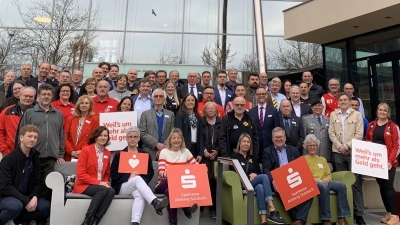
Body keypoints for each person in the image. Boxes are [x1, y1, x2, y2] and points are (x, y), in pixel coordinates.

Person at [110, 126, 169, 225]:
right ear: (126, 138)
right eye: (130, 137)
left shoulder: (145, 154)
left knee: (139, 194)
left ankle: (135, 222)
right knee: (137, 179)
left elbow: (150, 172)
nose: (132, 139)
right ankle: (155, 202)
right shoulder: (119, 154)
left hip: (137, 186)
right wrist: (130, 176)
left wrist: (140, 181)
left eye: (135, 137)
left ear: (138, 138)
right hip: (121, 187)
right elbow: (113, 174)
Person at [18, 84, 65, 201]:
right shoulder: (30, 113)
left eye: (49, 94)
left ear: (52, 96)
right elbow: (21, 133)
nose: (46, 96)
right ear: (38, 96)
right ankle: (28, 210)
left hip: (50, 157)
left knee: (47, 185)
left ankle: (42, 214)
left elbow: (61, 135)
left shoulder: (58, 114)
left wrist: (60, 154)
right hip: (33, 154)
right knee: (31, 182)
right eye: (43, 94)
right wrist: (22, 153)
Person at [230, 133, 286, 225]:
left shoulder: (253, 158)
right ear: (239, 143)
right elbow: (234, 173)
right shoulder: (234, 157)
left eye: (248, 142)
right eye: (244, 141)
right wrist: (248, 176)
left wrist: (254, 174)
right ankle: (272, 208)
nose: (246, 144)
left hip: (253, 183)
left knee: (260, 187)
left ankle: (263, 222)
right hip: (243, 184)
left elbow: (259, 173)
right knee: (265, 177)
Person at [0, 124, 50, 225]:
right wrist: (26, 201)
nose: (33, 139)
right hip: (6, 197)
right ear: (21, 138)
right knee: (15, 206)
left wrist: (35, 197)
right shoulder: (8, 160)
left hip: (27, 196)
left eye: (35, 137)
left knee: (45, 207)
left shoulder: (35, 157)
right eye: (29, 136)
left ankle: (14, 219)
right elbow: (5, 186)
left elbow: (37, 182)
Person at [262, 127, 313, 225]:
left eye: (280, 137)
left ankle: (299, 221)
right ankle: (301, 221)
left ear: (285, 137)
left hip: (295, 179)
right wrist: (273, 181)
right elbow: (266, 169)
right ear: (272, 138)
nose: (278, 139)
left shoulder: (293, 150)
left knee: (310, 188)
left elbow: (300, 167)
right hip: (279, 182)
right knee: (282, 188)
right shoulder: (267, 151)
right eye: (276, 137)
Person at [328, 93, 365, 225]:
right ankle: (345, 214)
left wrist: (347, 146)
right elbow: (331, 132)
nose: (343, 102)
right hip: (338, 153)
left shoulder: (357, 115)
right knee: (342, 184)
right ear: (338, 102)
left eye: (345, 100)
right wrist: (340, 147)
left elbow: (359, 134)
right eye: (341, 100)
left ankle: (359, 214)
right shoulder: (333, 115)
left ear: (349, 102)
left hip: (353, 152)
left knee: (356, 184)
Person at [155, 128, 199, 225]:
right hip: (162, 184)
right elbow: (161, 172)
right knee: (171, 182)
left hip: (176, 188)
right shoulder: (164, 152)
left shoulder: (186, 152)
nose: (176, 140)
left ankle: (173, 221)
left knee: (169, 191)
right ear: (170, 140)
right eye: (174, 138)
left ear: (182, 140)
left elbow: (196, 167)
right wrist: (171, 174)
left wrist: (202, 170)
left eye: (178, 138)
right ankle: (186, 208)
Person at [365, 103, 400, 225]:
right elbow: (368, 141)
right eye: (380, 110)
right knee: (382, 186)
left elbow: (396, 146)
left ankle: (395, 216)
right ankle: (389, 212)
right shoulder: (371, 125)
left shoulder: (394, 127)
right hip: (376, 162)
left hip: (389, 162)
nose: (382, 112)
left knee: (388, 186)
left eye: (385, 110)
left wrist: (390, 161)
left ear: (388, 112)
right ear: (377, 111)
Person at [303, 134, 350, 225]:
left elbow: (329, 174)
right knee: (324, 187)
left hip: (325, 182)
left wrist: (327, 179)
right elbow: (304, 176)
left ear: (317, 146)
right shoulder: (303, 159)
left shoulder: (322, 160)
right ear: (306, 147)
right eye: (310, 145)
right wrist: (318, 180)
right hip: (313, 182)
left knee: (341, 186)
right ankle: (326, 218)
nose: (312, 147)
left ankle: (342, 217)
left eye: (314, 145)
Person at [73, 126, 115, 225]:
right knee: (103, 189)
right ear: (95, 137)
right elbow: (80, 174)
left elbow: (106, 174)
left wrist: (105, 182)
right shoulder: (86, 150)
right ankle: (87, 221)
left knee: (111, 191)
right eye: (100, 135)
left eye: (105, 135)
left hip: (100, 186)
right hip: (84, 185)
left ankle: (96, 221)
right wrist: (99, 183)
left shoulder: (107, 153)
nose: (103, 138)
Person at [140, 89, 175, 160]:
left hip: (166, 150)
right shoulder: (145, 114)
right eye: (156, 96)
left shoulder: (171, 114)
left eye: (161, 96)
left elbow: (172, 132)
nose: (158, 98)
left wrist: (163, 146)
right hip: (149, 150)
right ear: (152, 99)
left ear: (164, 99)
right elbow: (142, 133)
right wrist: (156, 144)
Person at [0, 87, 35, 157]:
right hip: (10, 153)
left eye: (31, 96)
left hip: (33, 154)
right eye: (25, 96)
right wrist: (4, 150)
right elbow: (0, 131)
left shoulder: (39, 113)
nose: (28, 98)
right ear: (20, 95)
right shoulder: (7, 111)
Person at [200, 102, 221, 219]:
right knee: (203, 182)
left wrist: (217, 150)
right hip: (203, 157)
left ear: (216, 110)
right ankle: (201, 209)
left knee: (214, 182)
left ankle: (213, 209)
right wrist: (204, 151)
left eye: (213, 108)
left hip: (216, 157)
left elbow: (223, 138)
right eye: (208, 108)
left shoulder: (221, 122)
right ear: (205, 110)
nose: (211, 110)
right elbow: (199, 138)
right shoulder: (200, 122)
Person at [64, 95, 99, 162]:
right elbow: (65, 137)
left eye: (86, 103)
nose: (84, 105)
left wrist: (83, 151)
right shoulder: (70, 119)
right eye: (82, 103)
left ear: (90, 105)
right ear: (78, 105)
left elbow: (95, 138)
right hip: (70, 155)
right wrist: (70, 151)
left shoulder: (94, 119)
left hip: (85, 154)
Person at [249, 87, 279, 160]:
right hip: (256, 146)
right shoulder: (251, 112)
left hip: (270, 145)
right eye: (259, 94)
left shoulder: (273, 111)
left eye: (263, 94)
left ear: (266, 96)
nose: (261, 96)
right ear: (256, 96)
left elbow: (276, 128)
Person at [174, 93, 204, 162]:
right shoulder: (180, 115)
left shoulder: (198, 116)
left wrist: (200, 153)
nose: (190, 102)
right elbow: (179, 133)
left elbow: (200, 135)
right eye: (188, 100)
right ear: (184, 102)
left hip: (195, 149)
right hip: (184, 148)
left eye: (192, 100)